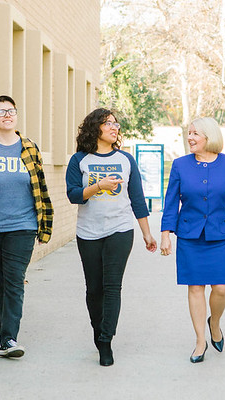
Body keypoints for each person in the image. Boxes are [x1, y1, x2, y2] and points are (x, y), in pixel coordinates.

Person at [65, 108, 157, 367]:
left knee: (112, 286)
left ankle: (106, 340)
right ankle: (98, 332)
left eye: (116, 124)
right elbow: (73, 195)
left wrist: (147, 234)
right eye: (108, 123)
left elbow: (137, 200)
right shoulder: (79, 160)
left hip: (120, 229)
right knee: (94, 289)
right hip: (88, 232)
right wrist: (97, 187)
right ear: (95, 128)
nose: (115, 127)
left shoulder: (126, 160)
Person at [0, 95, 53, 359]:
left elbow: (40, 187)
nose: (7, 115)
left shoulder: (29, 148)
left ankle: (9, 338)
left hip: (22, 225)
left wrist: (43, 225)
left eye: (12, 111)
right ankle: (0, 331)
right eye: (1, 111)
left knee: (14, 280)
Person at [159, 117, 225, 364]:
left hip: (220, 235)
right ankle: (200, 341)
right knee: (195, 287)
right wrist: (165, 234)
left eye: (195, 134)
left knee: (221, 288)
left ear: (209, 137)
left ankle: (215, 322)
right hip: (189, 235)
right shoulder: (180, 165)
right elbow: (170, 202)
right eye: (189, 133)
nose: (190, 138)